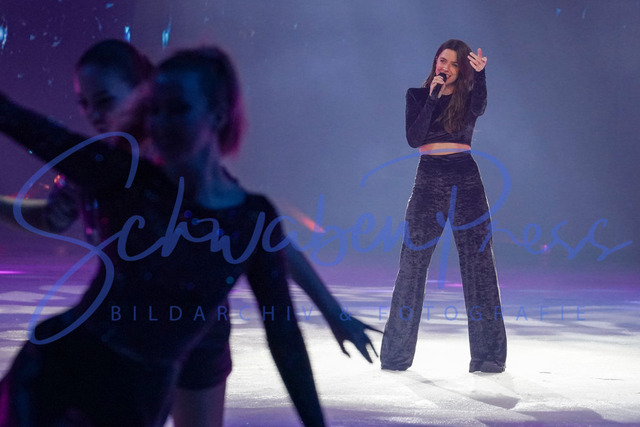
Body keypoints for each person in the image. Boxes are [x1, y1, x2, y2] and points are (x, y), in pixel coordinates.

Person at [0, 40, 378, 426]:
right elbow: (29, 136)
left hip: (172, 361)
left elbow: (283, 318)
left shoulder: (243, 211)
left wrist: (333, 312)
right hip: (68, 370)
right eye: (155, 112)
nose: (94, 114)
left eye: (175, 109)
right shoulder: (112, 171)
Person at [380, 39, 507, 373]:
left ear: (461, 69)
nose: (445, 67)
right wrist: (433, 97)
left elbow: (479, 106)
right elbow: (414, 138)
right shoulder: (417, 96)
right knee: (412, 265)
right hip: (428, 179)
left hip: (465, 179)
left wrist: (480, 76)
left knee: (479, 264)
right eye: (441, 60)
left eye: (452, 63)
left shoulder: (468, 96)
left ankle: (489, 355)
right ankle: (395, 355)